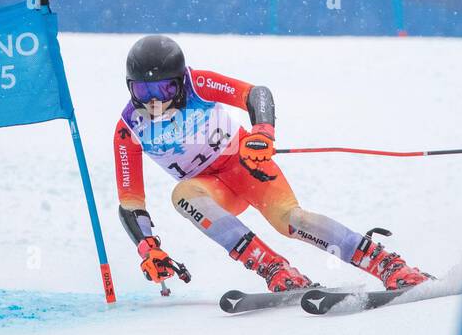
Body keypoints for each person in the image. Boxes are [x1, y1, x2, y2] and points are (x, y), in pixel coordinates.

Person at [112, 35, 431, 292]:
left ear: (180, 81)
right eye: (143, 90)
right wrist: (147, 247)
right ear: (130, 87)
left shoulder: (197, 83)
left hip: (245, 167)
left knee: (290, 221)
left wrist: (262, 132)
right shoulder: (129, 128)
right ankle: (275, 269)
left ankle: (388, 265)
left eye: (165, 88)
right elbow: (130, 203)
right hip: (211, 191)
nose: (155, 100)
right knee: (182, 194)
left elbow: (255, 94)